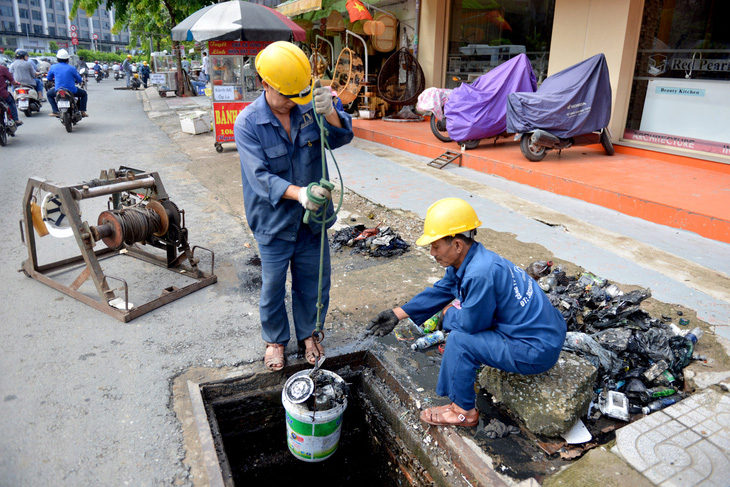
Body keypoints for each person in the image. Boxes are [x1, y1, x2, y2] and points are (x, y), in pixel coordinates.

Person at [366, 198, 568, 427]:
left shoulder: (479, 274)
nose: (432, 252)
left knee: (460, 341)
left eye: (435, 245)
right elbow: (442, 290)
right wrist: (397, 314)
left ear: (457, 245)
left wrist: (447, 316)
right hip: (548, 330)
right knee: (462, 324)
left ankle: (464, 412)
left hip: (537, 349)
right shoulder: (473, 259)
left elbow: (471, 326)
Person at [233, 41, 354, 372]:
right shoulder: (247, 123)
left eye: (297, 95)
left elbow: (342, 137)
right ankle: (275, 340)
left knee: (313, 281)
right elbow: (259, 177)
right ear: (265, 83)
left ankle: (309, 335)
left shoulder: (307, 104)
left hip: (313, 220)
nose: (292, 102)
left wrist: (329, 110)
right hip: (274, 221)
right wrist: (300, 194)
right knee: (273, 285)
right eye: (285, 95)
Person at [46, 49, 88, 118]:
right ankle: (82, 111)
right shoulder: (72, 68)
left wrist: (52, 80)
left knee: (49, 94)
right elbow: (79, 79)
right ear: (67, 59)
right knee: (84, 94)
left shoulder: (53, 67)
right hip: (72, 90)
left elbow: (49, 78)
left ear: (57, 59)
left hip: (58, 90)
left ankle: (55, 110)